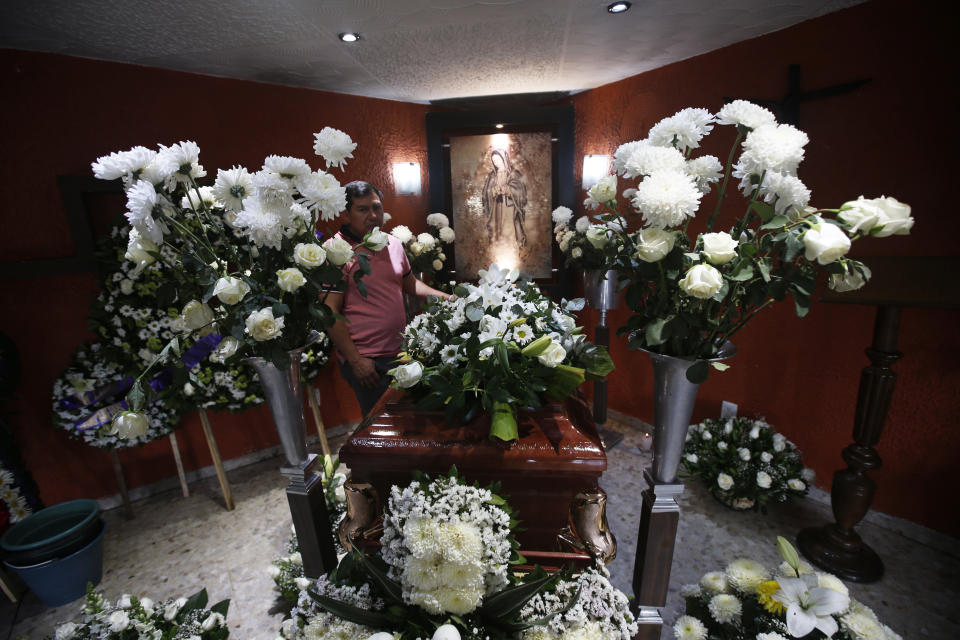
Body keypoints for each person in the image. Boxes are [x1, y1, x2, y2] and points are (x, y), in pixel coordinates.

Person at [324, 181, 451, 416]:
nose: (373, 215)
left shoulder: (392, 243)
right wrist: (356, 360)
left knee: (405, 422)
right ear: (346, 212)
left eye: (377, 208)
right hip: (368, 360)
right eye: (363, 209)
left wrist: (447, 298)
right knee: (378, 426)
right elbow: (330, 312)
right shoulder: (335, 251)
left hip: (400, 351)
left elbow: (409, 283)